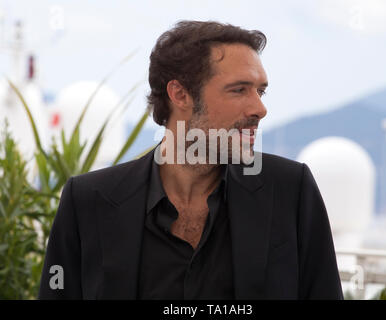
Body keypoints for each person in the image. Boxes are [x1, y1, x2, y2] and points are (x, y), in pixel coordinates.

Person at [38, 20, 343, 300]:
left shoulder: (291, 190)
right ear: (180, 94)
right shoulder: (88, 200)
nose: (259, 108)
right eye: (239, 90)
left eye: (260, 91)